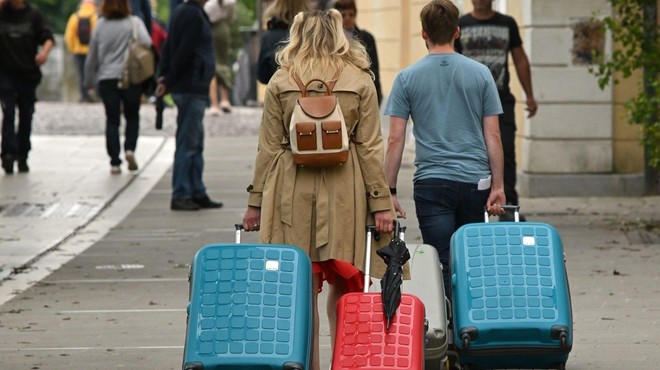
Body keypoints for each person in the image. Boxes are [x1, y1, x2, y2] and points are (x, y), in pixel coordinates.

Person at [242, 9, 395, 370]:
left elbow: (268, 147)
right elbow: (371, 146)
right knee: (344, 282)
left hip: (289, 188)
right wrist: (381, 204)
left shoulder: (281, 80)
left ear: (297, 35)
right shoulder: (359, 80)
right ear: (340, 35)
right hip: (347, 189)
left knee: (301, 287)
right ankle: (344, 361)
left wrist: (255, 203)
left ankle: (305, 364)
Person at [383, 0, 506, 295]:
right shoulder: (481, 74)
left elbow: (395, 139)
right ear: (457, 31)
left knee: (440, 259)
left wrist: (389, 191)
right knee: (468, 256)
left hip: (431, 182)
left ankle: (447, 322)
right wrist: (499, 186)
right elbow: (494, 135)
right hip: (475, 181)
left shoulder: (406, 78)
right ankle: (470, 323)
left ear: (423, 33)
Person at [455, 0, 537, 220]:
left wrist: (529, 94)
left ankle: (508, 207)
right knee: (472, 152)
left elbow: (520, 59)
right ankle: (474, 204)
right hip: (469, 102)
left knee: (506, 151)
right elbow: (452, 61)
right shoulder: (461, 24)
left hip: (501, 100)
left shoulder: (507, 23)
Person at [155, 0, 223, 211]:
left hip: (189, 85)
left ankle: (195, 190)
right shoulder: (193, 15)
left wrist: (165, 77)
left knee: (195, 142)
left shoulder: (183, 12)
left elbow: (169, 46)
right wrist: (169, 79)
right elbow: (184, 50)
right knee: (188, 143)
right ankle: (183, 192)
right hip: (191, 85)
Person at [84, 0, 152, 174]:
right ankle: (130, 149)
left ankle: (114, 161)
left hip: (107, 78)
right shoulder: (134, 23)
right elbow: (147, 43)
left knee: (112, 119)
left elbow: (92, 56)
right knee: (132, 115)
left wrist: (88, 81)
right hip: (131, 77)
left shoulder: (100, 25)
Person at [0, 0, 54, 174]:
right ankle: (7, 153)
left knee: (26, 113)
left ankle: (23, 153)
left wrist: (44, 53)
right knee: (8, 113)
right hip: (5, 73)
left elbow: (48, 37)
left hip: (27, 73)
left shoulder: (34, 15)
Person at [334, 0, 382, 104]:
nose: (347, 18)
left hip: (363, 90)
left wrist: (375, 93)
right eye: (344, 15)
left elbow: (374, 69)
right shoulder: (332, 40)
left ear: (355, 15)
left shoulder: (367, 38)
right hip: (338, 92)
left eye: (351, 14)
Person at [256, 0, 310, 84]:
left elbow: (263, 76)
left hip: (281, 93)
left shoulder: (269, 37)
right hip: (309, 91)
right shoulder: (311, 34)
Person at [204, 0, 236, 115]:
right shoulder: (229, 3)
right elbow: (231, 17)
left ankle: (214, 103)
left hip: (211, 30)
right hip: (224, 30)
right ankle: (225, 99)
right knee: (223, 62)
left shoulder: (208, 5)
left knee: (213, 65)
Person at [64, 0, 99, 103]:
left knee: (81, 74)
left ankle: (84, 95)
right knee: (94, 73)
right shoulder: (95, 17)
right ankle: (94, 93)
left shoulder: (75, 17)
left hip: (78, 51)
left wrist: (72, 49)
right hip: (92, 51)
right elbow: (98, 35)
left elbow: (69, 35)